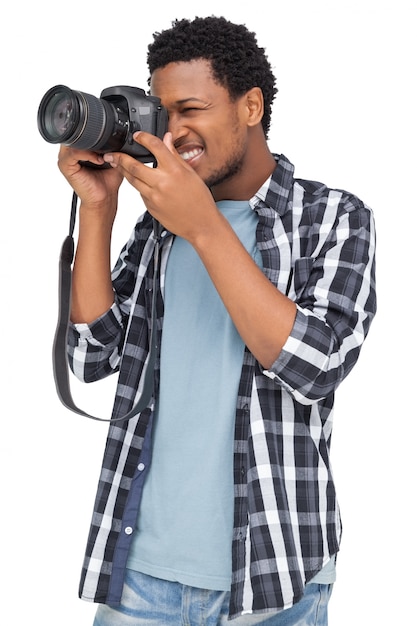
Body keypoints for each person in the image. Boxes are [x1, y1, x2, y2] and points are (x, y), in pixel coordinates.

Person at [57, 16, 376, 626]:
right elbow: (90, 358)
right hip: (140, 574)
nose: (173, 132)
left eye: (192, 109)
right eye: (162, 111)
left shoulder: (333, 216)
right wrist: (98, 210)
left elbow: (317, 366)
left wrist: (202, 224)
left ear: (250, 106)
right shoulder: (157, 225)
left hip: (276, 574)